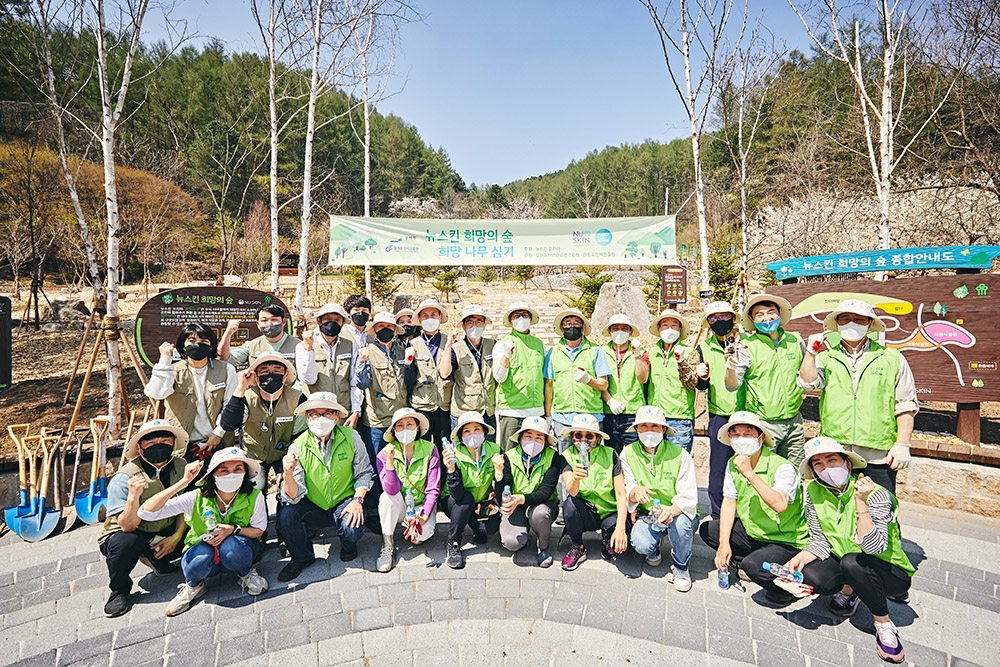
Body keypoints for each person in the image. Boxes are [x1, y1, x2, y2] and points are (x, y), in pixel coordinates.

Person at [784, 437, 915, 663]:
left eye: (832, 460)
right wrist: (799, 559)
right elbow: (820, 540)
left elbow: (873, 547)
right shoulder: (813, 491)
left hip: (889, 572)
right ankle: (850, 589)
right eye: (818, 464)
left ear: (847, 463)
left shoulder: (877, 494)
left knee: (852, 562)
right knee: (811, 574)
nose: (826, 468)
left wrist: (861, 502)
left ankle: (883, 623)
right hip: (847, 561)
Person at [798, 299, 918, 494]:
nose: (851, 323)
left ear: (870, 324)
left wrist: (902, 444)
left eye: (859, 319)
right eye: (845, 318)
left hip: (878, 455)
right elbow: (807, 381)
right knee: (835, 509)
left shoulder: (892, 358)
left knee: (880, 507)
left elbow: (905, 404)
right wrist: (811, 352)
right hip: (835, 454)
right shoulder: (826, 358)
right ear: (837, 323)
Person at [137, 447, 268, 616]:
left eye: (238, 469)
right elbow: (146, 512)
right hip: (202, 550)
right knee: (200, 558)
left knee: (231, 546)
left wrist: (233, 529)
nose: (231, 475)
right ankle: (194, 585)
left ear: (245, 473)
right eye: (224, 470)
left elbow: (259, 530)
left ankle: (246, 574)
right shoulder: (195, 497)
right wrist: (183, 482)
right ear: (213, 474)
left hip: (237, 549)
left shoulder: (254, 496)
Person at [698, 411, 810, 605]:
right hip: (754, 532)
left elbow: (780, 505)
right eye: (736, 434)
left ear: (761, 437)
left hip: (784, 539)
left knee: (753, 567)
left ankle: (785, 587)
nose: (741, 439)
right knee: (709, 530)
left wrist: (749, 473)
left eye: (747, 433)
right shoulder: (733, 463)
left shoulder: (782, 467)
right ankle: (751, 559)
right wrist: (724, 545)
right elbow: (729, 503)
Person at [275, 392, 373, 581]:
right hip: (313, 505)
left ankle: (348, 545)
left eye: (327, 413)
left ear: (336, 416)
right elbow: (293, 496)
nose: (321, 419)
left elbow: (364, 473)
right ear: (307, 418)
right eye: (314, 414)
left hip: (344, 501)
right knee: (286, 514)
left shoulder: (351, 436)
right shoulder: (298, 446)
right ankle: (302, 557)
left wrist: (357, 500)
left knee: (352, 528)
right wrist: (288, 474)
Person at [97, 420, 190, 618]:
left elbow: (186, 505)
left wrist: (176, 536)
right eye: (151, 442)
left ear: (174, 443)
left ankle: (157, 559)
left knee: (203, 524)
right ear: (139, 448)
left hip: (165, 526)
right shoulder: (124, 478)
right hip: (131, 531)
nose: (159, 445)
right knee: (126, 542)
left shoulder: (181, 466)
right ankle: (119, 591)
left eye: (165, 441)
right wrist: (133, 496)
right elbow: (127, 525)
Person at [622, 406, 698, 592]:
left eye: (655, 426)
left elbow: (688, 496)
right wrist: (634, 491)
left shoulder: (681, 455)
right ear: (636, 429)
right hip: (648, 514)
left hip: (677, 512)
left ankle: (681, 567)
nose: (649, 431)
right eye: (644, 426)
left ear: (664, 429)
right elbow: (628, 486)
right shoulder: (627, 453)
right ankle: (654, 547)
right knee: (641, 544)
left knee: (682, 526)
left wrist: (671, 511)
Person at [726, 294, 806, 466]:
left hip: (794, 421)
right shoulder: (746, 346)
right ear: (751, 319)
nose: (766, 318)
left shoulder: (795, 340)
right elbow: (732, 386)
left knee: (794, 472)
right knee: (762, 470)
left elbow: (807, 373)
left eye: (771, 312)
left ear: (779, 314)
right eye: (759, 314)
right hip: (762, 423)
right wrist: (730, 367)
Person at [145, 323, 238, 461]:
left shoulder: (226, 369)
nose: (197, 345)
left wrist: (218, 434)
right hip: (181, 445)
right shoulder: (172, 370)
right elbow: (156, 393)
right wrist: (164, 360)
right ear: (183, 345)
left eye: (203, 341)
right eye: (192, 341)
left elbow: (230, 405)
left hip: (217, 442)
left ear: (211, 345)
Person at [219, 353, 306, 493]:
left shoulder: (297, 398)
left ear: (285, 375)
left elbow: (300, 435)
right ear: (256, 376)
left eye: (277, 371)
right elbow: (228, 424)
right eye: (264, 371)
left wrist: (289, 467)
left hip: (285, 454)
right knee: (256, 491)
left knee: (289, 491)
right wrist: (241, 387)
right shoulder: (247, 397)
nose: (271, 375)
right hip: (254, 456)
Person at [354, 311, 409, 522]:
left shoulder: (402, 350)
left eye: (389, 326)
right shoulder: (367, 351)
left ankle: (400, 505)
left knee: (399, 464)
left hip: (400, 420)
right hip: (377, 421)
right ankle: (374, 511)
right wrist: (362, 362)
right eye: (380, 327)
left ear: (395, 329)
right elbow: (361, 383)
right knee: (377, 466)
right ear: (374, 330)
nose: (385, 330)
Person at [375, 407, 443, 572]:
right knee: (386, 498)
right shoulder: (384, 454)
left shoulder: (430, 449)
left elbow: (433, 488)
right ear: (394, 431)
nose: (405, 429)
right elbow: (391, 490)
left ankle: (414, 526)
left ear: (417, 427)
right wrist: (390, 462)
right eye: (400, 426)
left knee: (423, 534)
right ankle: (388, 544)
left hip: (420, 505)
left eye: (410, 424)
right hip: (399, 504)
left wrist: (424, 516)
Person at [559, 414, 629, 570]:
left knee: (621, 544)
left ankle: (607, 541)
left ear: (597, 438)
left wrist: (621, 528)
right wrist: (576, 479)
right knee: (569, 505)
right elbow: (572, 491)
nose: (583, 440)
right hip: (585, 511)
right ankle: (577, 546)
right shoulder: (567, 456)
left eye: (589, 436)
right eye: (578, 435)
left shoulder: (610, 454)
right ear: (572, 437)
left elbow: (620, 494)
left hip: (609, 511)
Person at [494, 416, 563, 567]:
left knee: (540, 514)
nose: (533, 441)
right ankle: (523, 529)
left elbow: (545, 492)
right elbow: (503, 495)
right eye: (528, 436)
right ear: (520, 438)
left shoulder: (553, 457)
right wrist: (498, 474)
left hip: (543, 505)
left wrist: (521, 498)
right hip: (516, 506)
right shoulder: (509, 456)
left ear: (545, 441)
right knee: (511, 543)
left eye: (539, 438)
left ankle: (543, 546)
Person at [695, 302, 741, 518]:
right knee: (718, 468)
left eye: (724, 317)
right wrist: (701, 377)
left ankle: (745, 514)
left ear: (733, 318)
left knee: (746, 466)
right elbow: (701, 386)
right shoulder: (703, 348)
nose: (719, 322)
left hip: (746, 413)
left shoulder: (746, 343)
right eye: (713, 318)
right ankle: (718, 514)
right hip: (718, 414)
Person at [544, 308, 611, 452]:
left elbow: (604, 384)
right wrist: (548, 416)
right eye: (568, 323)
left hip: (591, 417)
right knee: (565, 460)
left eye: (576, 323)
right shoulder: (553, 353)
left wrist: (589, 380)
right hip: (563, 419)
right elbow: (549, 386)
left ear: (583, 327)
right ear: (562, 328)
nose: (572, 326)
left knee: (593, 459)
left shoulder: (595, 350)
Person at [441, 412, 501, 569]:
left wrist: (493, 502)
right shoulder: (454, 454)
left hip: (482, 501)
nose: (472, 434)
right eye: (466, 431)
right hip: (456, 500)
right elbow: (457, 494)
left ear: (484, 432)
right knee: (465, 500)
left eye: (477, 429)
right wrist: (451, 469)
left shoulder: (495, 450)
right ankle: (453, 542)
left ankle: (475, 525)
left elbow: (500, 483)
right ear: (460, 436)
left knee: (491, 528)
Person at [295, 303, 362, 431]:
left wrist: (356, 411)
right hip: (316, 413)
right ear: (319, 321)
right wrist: (309, 350)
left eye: (337, 320)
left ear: (342, 323)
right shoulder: (303, 346)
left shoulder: (350, 345)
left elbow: (355, 381)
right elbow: (308, 379)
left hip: (342, 413)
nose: (332, 323)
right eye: (328, 319)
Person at [493, 301, 547, 451]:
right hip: (512, 412)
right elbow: (499, 377)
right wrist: (506, 355)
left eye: (524, 315)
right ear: (510, 321)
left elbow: (546, 378)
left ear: (530, 318)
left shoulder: (539, 344)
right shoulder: (502, 344)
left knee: (537, 455)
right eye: (516, 315)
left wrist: (547, 414)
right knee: (509, 455)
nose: (521, 318)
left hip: (537, 411)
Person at [439, 304, 497, 437]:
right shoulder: (456, 348)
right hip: (463, 411)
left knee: (489, 447)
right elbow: (444, 373)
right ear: (464, 326)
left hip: (487, 410)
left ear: (484, 325)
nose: (474, 326)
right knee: (462, 448)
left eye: (478, 322)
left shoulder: (493, 345)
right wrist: (448, 345)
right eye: (470, 322)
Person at [645, 309, 698, 453]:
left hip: (679, 419)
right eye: (665, 325)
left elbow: (691, 383)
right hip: (655, 418)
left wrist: (682, 362)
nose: (669, 329)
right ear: (659, 328)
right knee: (654, 460)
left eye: (674, 325)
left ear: (680, 329)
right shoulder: (651, 352)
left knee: (678, 461)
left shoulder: (690, 352)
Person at [404, 299, 453, 447]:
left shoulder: (450, 342)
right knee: (421, 447)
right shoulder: (412, 344)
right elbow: (409, 381)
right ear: (419, 319)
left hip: (444, 406)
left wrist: (449, 346)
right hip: (421, 406)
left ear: (440, 318)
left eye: (433, 315)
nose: (429, 318)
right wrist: (408, 365)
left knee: (444, 446)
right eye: (425, 315)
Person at [600, 314, 648, 453]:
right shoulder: (601, 352)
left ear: (630, 331)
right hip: (609, 413)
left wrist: (637, 355)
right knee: (612, 455)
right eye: (615, 328)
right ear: (610, 331)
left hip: (634, 413)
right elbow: (600, 381)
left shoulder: (641, 352)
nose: (619, 331)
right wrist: (610, 400)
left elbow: (643, 379)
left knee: (635, 455)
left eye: (624, 328)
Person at [220, 304, 300, 367]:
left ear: (283, 322)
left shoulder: (298, 346)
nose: (269, 324)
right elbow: (225, 359)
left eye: (274, 319)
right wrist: (228, 333)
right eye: (264, 320)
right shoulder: (251, 346)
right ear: (258, 324)